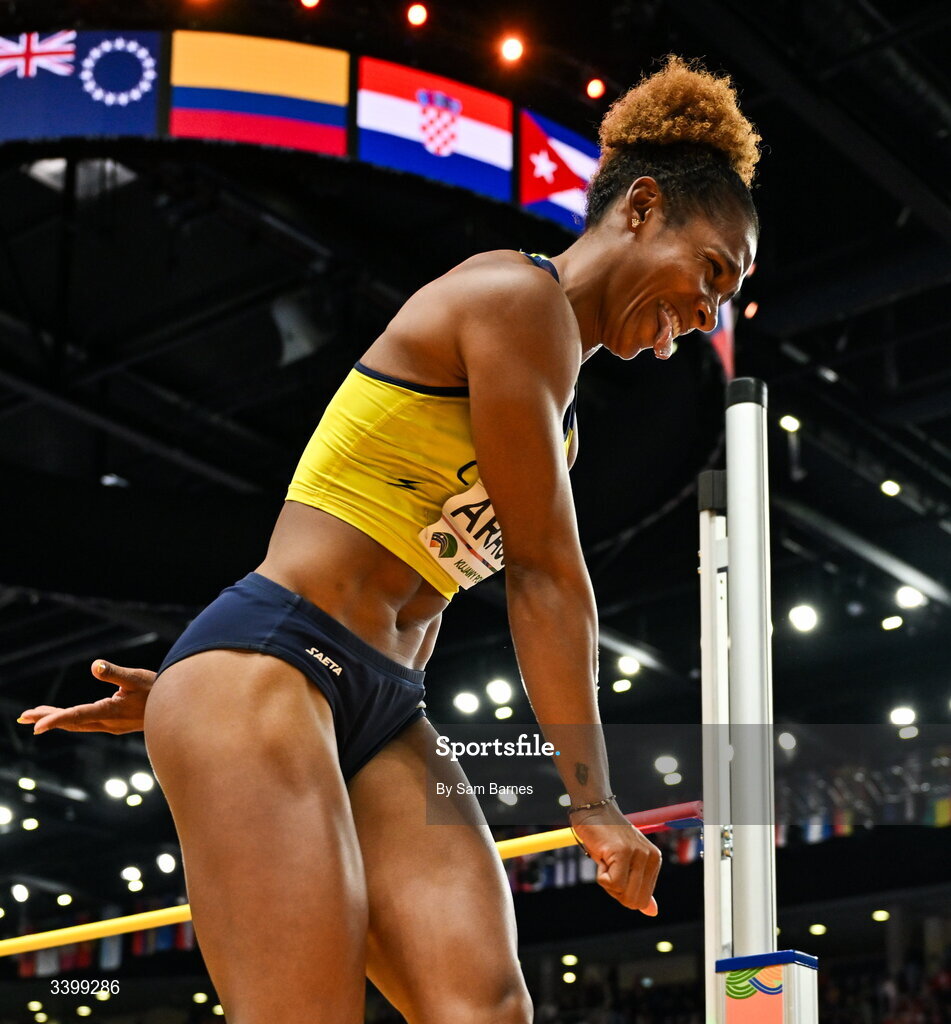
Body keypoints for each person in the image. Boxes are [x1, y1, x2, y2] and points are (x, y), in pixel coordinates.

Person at [17, 55, 760, 1024]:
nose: (708, 312)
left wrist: (190, 697)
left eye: (725, 298)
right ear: (642, 205)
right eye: (711, 273)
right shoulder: (512, 298)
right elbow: (543, 572)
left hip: (373, 700)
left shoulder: (560, 415)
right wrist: (591, 799)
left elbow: (417, 571)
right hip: (276, 663)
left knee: (484, 1009)